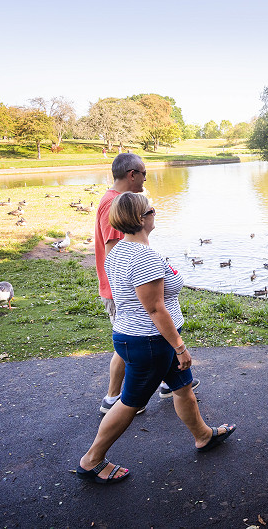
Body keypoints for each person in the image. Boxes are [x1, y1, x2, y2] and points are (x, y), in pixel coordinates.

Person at [77, 193, 236, 484]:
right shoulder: (144, 256)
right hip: (150, 342)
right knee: (130, 402)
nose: (155, 213)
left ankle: (203, 436)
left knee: (182, 387)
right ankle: (92, 460)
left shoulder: (120, 251)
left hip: (134, 336)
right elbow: (154, 308)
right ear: (141, 218)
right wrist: (179, 346)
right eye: (152, 210)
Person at [95, 153, 198, 415]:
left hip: (133, 292)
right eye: (143, 173)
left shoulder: (118, 202)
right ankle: (112, 398)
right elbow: (114, 252)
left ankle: (200, 429)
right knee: (133, 344)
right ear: (132, 174)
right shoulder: (115, 203)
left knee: (139, 342)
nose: (145, 178)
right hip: (128, 292)